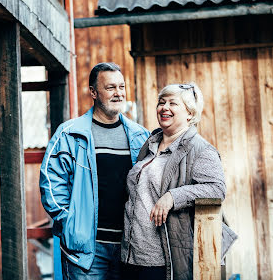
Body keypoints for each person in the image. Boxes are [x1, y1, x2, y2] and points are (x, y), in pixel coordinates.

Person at [39, 62, 150, 279]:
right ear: (93, 92)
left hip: (129, 249)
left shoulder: (141, 136)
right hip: (86, 251)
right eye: (110, 88)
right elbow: (51, 182)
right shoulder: (70, 134)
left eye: (121, 87)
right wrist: (69, 223)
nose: (118, 93)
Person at [121, 83, 237, 280]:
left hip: (162, 260)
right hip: (131, 256)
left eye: (173, 103)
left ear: (190, 113)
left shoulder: (200, 150)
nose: (164, 107)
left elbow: (216, 189)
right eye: (161, 102)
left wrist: (173, 197)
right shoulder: (150, 144)